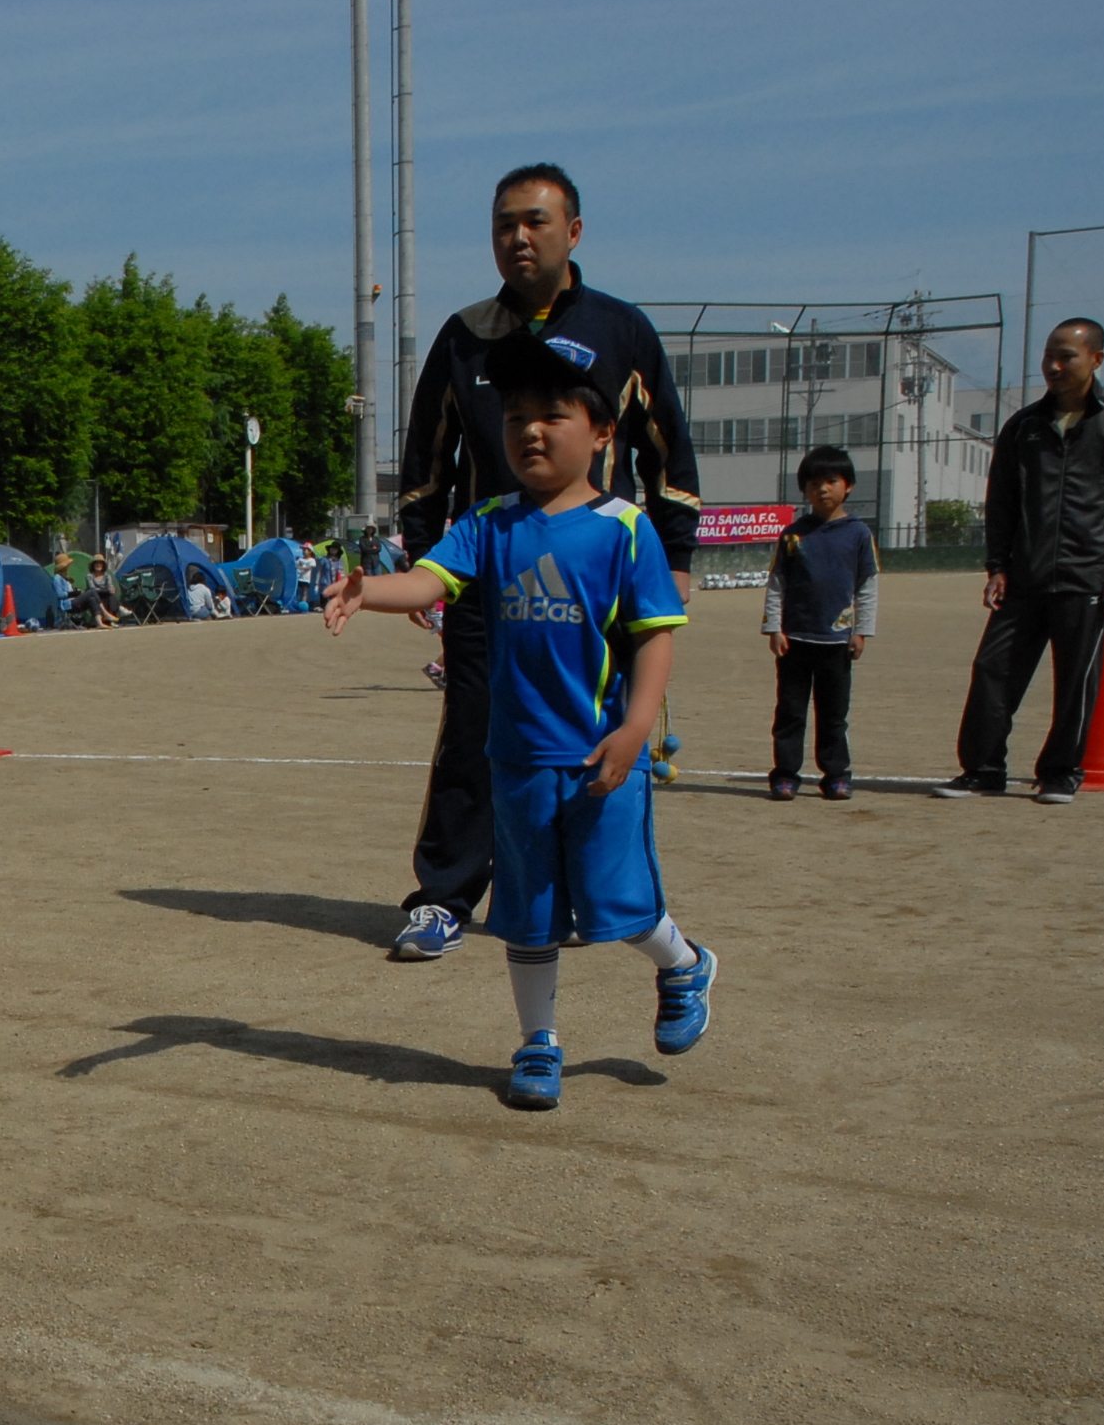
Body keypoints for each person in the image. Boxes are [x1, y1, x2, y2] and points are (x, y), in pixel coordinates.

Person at [326, 330, 716, 1111]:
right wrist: (370, 592)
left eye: (553, 415)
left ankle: (683, 964)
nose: (530, 431)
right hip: (517, 758)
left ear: (603, 433)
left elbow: (655, 638)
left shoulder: (625, 528)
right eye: (514, 419)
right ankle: (538, 1044)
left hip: (603, 757)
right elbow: (431, 583)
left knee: (621, 907)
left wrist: (637, 727)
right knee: (528, 914)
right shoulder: (490, 521)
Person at [390, 161, 701, 962]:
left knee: (597, 739)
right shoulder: (466, 336)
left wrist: (677, 556)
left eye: (535, 221)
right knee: (472, 731)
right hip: (487, 572)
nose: (518, 238)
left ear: (574, 231)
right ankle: (444, 896)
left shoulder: (620, 331)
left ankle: (605, 899)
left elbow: (666, 448)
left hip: (595, 587)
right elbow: (427, 457)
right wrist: (428, 561)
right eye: (504, 225)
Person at [935, 317, 1104, 804]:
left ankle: (1060, 772)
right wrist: (998, 565)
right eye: (1048, 357)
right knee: (993, 670)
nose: (1053, 366)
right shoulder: (1023, 427)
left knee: (1076, 680)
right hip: (1026, 574)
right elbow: (1003, 503)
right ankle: (983, 769)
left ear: (1096, 359)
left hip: (1087, 573)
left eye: (1066, 356)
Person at [760, 446, 877, 800]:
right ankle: (785, 775)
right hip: (795, 641)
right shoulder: (793, 534)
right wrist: (773, 628)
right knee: (790, 712)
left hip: (837, 642)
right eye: (813, 483)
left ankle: (836, 775)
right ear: (803, 489)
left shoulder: (858, 534)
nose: (822, 489)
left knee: (834, 715)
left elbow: (867, 586)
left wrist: (862, 631)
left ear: (849, 485)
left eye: (831, 481)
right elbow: (777, 582)